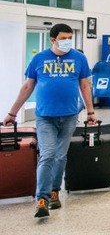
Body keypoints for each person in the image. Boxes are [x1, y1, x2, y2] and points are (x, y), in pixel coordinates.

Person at [3, 23, 97, 218]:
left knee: (60, 156)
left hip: (70, 115)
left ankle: (55, 190)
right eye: (63, 38)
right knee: (47, 154)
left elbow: (85, 86)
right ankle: (42, 198)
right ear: (53, 40)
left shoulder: (79, 58)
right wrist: (12, 113)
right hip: (45, 117)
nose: (67, 42)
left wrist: (90, 112)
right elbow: (27, 87)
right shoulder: (39, 58)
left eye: (70, 38)